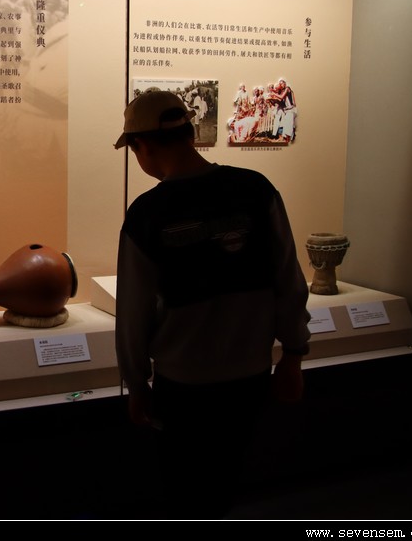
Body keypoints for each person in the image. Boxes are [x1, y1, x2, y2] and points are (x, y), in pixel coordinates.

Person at [113, 89, 311, 519]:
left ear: (141, 146)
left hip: (183, 386)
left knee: (185, 491)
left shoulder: (147, 213)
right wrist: (293, 357)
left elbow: (132, 313)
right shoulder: (256, 189)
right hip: (251, 376)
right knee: (227, 480)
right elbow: (289, 281)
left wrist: (137, 384)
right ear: (190, 133)